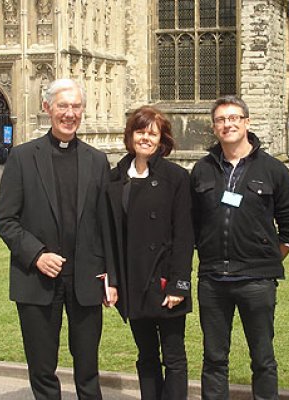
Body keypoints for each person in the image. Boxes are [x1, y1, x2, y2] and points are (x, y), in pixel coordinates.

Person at [0, 78, 118, 400]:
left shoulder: (97, 160)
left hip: (86, 279)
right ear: (47, 108)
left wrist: (112, 279)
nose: (70, 113)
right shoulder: (23, 158)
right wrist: (36, 254)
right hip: (37, 278)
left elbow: (106, 225)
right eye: (63, 106)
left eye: (76, 106)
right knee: (42, 367)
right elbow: (6, 220)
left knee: (88, 368)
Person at [191, 95, 289, 400]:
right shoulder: (202, 169)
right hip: (213, 280)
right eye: (221, 119)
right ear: (214, 127)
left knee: (263, 358)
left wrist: (267, 260)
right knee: (214, 359)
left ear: (246, 122)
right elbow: (193, 222)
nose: (228, 124)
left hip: (257, 281)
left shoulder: (273, 169)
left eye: (234, 118)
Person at [107, 106, 194, 400]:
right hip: (135, 281)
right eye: (140, 131)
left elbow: (184, 235)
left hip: (165, 280)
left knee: (174, 356)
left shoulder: (176, 177)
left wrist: (179, 283)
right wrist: (114, 281)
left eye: (152, 133)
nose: (145, 138)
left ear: (162, 139)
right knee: (145, 355)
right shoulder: (115, 178)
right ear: (131, 135)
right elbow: (111, 236)